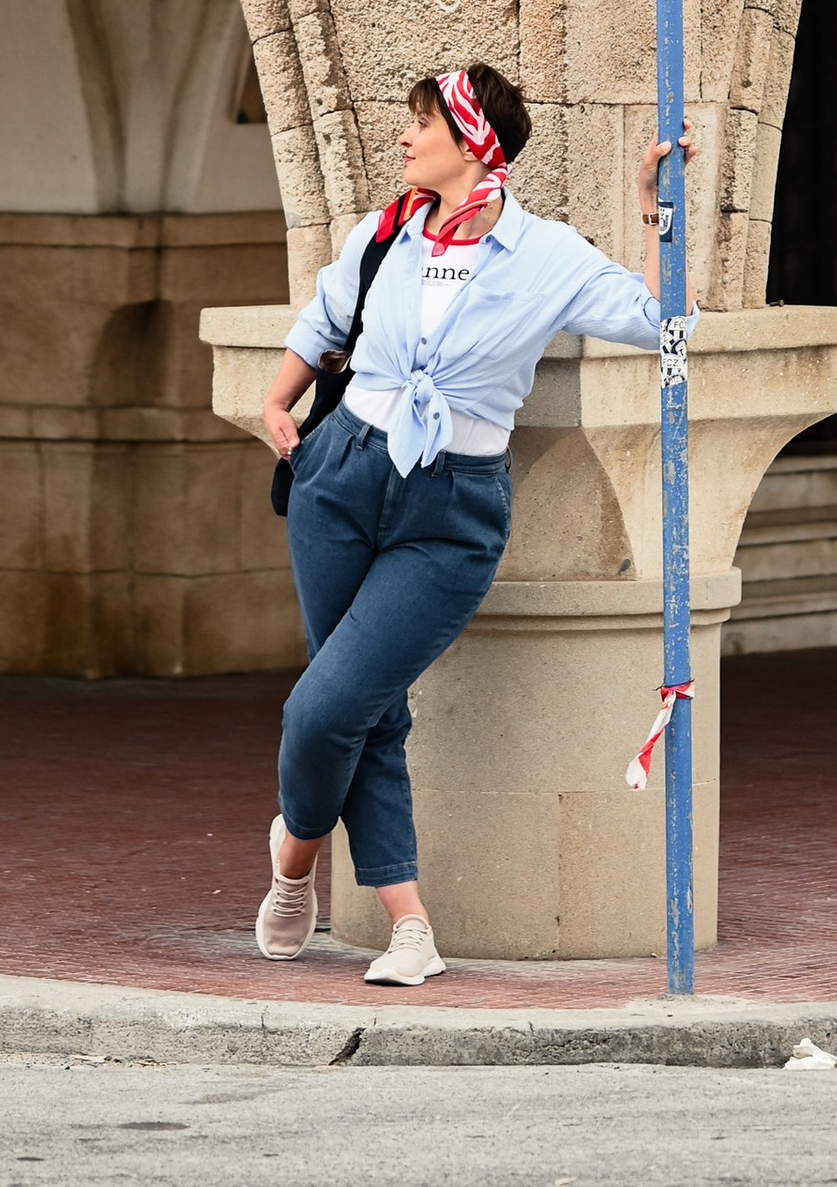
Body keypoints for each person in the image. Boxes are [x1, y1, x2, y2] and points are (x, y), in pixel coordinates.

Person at [253, 61, 689, 987]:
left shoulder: (548, 255)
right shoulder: (389, 233)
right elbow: (328, 311)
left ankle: (294, 855)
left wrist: (657, 211)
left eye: (422, 123)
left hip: (452, 507)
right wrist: (278, 402)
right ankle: (410, 927)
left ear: (472, 141)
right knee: (365, 714)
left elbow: (665, 325)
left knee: (326, 707)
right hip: (340, 477)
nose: (405, 138)